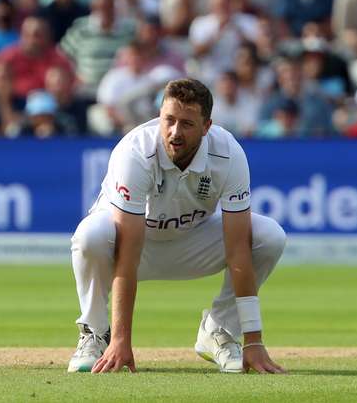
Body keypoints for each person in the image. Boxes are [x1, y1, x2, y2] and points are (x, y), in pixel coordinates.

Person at [69, 79, 286, 374]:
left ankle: (219, 330)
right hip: (130, 247)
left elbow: (237, 249)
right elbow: (128, 249)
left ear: (206, 127)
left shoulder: (229, 153)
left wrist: (254, 340)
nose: (174, 132)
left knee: (269, 236)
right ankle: (96, 334)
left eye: (186, 124)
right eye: (168, 120)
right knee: (90, 236)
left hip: (191, 242)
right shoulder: (135, 151)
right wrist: (122, 339)